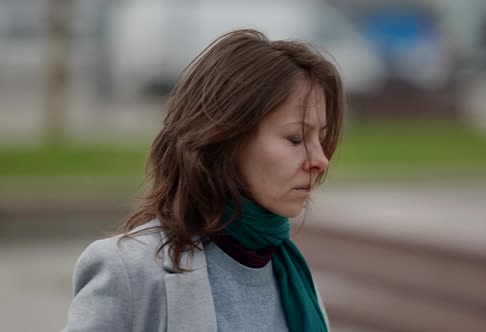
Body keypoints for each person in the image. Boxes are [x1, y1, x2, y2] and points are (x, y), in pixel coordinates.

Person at [62, 29, 344, 332]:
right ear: (227, 138)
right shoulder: (129, 269)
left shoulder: (291, 274)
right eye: (296, 138)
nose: (320, 160)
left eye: (321, 138)